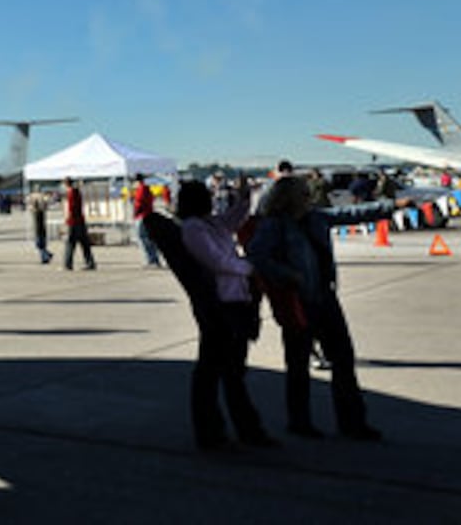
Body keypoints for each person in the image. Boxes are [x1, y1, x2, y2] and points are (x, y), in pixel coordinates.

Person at [246, 174, 408, 441]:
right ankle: (300, 421)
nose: (309, 198)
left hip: (324, 297)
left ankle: (353, 422)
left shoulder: (316, 218)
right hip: (298, 303)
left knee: (343, 359)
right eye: (303, 194)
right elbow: (257, 255)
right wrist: (288, 276)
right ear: (290, 198)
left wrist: (393, 206)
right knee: (298, 365)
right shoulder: (274, 226)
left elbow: (351, 213)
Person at [174, 180, 274, 450]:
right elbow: (216, 261)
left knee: (228, 372)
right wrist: (247, 268)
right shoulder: (194, 228)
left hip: (233, 303)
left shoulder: (210, 224)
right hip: (221, 306)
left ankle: (239, 429)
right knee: (218, 372)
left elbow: (233, 221)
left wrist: (244, 198)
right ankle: (220, 430)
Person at [62, 178, 96, 270]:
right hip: (80, 221)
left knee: (70, 243)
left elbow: (72, 208)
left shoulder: (71, 193)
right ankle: (90, 262)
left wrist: (67, 220)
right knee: (84, 243)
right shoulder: (77, 192)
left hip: (73, 222)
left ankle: (67, 264)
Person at [132, 173, 162, 267]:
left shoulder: (141, 189)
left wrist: (136, 212)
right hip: (147, 214)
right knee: (149, 238)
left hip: (142, 216)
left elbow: (139, 203)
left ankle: (151, 259)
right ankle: (154, 259)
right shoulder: (146, 189)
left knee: (143, 239)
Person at [29, 188, 53, 264]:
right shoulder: (41, 211)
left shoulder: (37, 212)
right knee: (41, 244)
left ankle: (46, 256)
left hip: (39, 230)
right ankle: (46, 255)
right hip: (42, 229)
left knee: (39, 244)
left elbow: (37, 223)